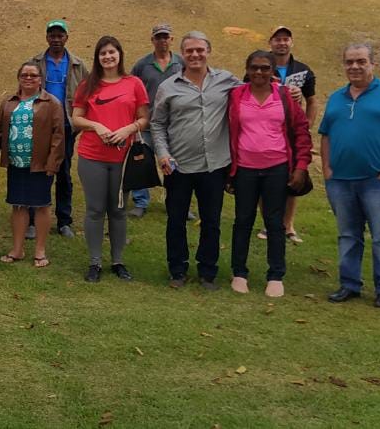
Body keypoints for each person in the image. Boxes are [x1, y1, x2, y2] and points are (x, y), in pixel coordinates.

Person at [319, 44, 380, 308]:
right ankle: (349, 285)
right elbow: (326, 134)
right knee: (348, 235)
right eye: (349, 62)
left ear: (373, 64)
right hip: (340, 180)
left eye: (361, 61)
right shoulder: (337, 97)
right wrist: (327, 169)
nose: (354, 67)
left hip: (378, 180)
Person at [151, 31, 239, 290]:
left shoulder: (226, 81)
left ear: (208, 51)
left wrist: (287, 91)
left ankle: (207, 271)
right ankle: (177, 270)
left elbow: (256, 88)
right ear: (183, 54)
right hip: (178, 166)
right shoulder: (168, 87)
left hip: (214, 165)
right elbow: (157, 124)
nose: (195, 54)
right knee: (175, 219)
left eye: (200, 49)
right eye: (190, 50)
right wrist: (163, 154)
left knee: (211, 221)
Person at [225, 50, 312, 298]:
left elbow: (302, 132)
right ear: (247, 69)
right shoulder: (236, 96)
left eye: (265, 68)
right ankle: (239, 273)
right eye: (254, 67)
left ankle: (276, 275)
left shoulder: (285, 96)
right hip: (244, 168)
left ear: (273, 70)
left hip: (277, 168)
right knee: (243, 221)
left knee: (275, 222)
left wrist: (301, 167)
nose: (259, 72)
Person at [69, 37, 149, 283]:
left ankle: (117, 261)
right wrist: (96, 126)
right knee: (95, 210)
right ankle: (95, 262)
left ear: (119, 55)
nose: (108, 57)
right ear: (97, 57)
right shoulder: (88, 85)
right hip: (92, 156)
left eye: (112, 52)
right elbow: (76, 118)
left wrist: (127, 130)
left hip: (123, 158)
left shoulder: (133, 83)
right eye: (103, 53)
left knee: (119, 209)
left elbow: (144, 117)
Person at [0, 62, 65, 269]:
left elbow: (59, 135)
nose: (29, 78)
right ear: (19, 78)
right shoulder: (9, 102)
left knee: (41, 205)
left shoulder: (51, 103)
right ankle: (17, 249)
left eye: (33, 75)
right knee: (18, 205)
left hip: (40, 163)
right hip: (17, 162)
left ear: (41, 79)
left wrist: (53, 162)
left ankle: (40, 250)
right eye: (24, 75)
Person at [26, 19, 87, 239]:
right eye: (52, 35)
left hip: (67, 126)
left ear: (66, 38)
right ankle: (32, 220)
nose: (56, 39)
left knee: (63, 173)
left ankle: (64, 221)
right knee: (38, 172)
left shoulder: (78, 65)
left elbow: (87, 95)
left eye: (60, 35)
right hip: (40, 125)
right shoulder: (34, 62)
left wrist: (78, 123)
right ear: (46, 37)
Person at [266, 26, 318, 244]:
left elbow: (312, 100)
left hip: (292, 133)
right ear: (270, 43)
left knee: (293, 178)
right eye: (277, 39)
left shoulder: (303, 71)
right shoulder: (261, 65)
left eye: (286, 39)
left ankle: (288, 225)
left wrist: (306, 126)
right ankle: (268, 224)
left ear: (292, 42)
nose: (282, 43)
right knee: (266, 178)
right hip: (267, 132)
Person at [128, 22, 183, 217]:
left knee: (176, 165)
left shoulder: (181, 63)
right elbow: (131, 92)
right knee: (142, 163)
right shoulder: (142, 65)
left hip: (175, 124)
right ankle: (140, 203)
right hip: (148, 124)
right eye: (158, 37)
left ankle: (174, 201)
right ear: (152, 40)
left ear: (172, 39)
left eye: (165, 37)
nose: (162, 40)